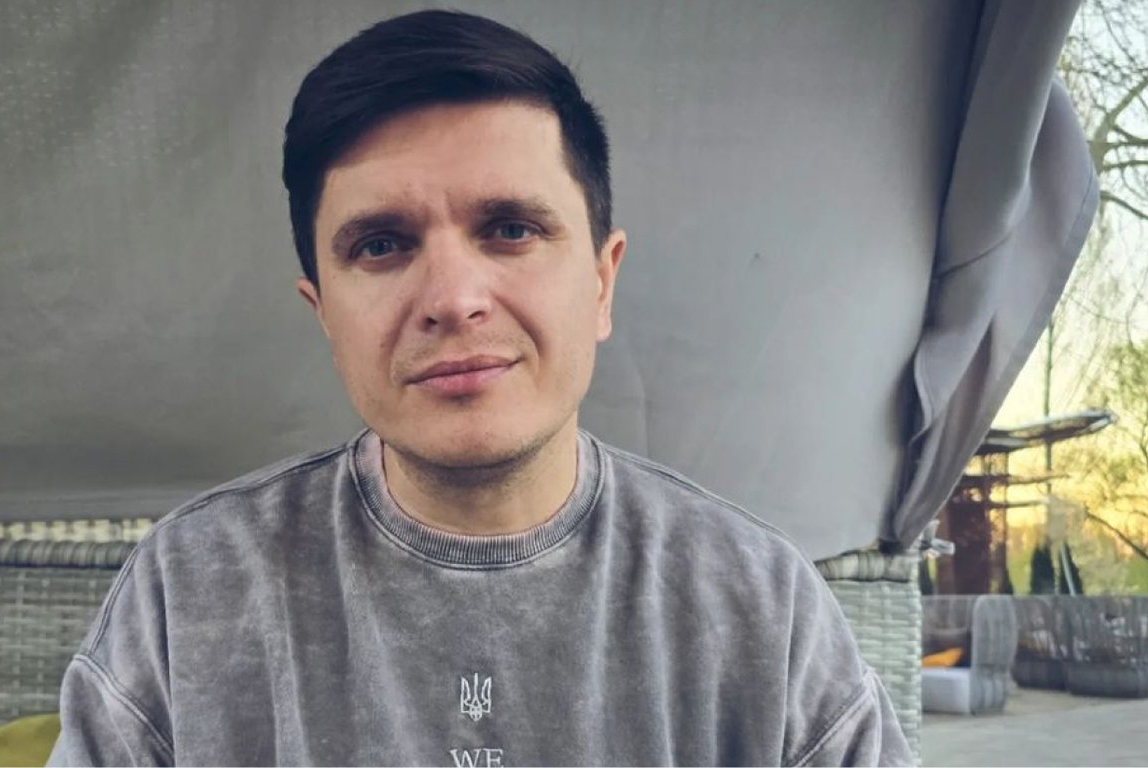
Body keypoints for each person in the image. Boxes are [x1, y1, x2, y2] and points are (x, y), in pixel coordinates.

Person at [48, 9, 914, 766]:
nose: (454, 298)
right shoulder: (193, 592)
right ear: (324, 312)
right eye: (381, 245)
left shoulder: (755, 602)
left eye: (510, 228)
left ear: (602, 282)